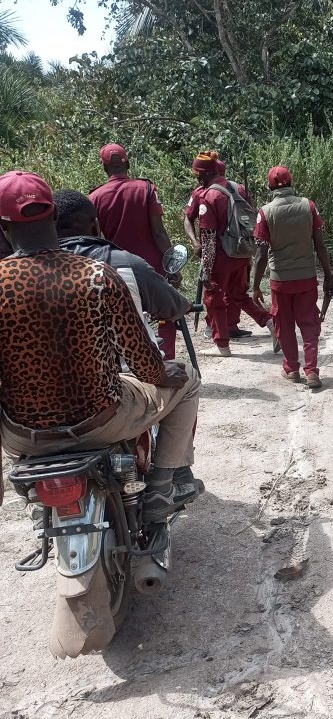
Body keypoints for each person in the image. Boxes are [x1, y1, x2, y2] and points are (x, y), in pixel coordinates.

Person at [0, 170, 201, 520]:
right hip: (101, 421)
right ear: (54, 215)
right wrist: (163, 372)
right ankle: (160, 487)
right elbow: (141, 359)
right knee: (187, 380)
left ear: (3, 227)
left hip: (22, 435)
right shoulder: (95, 274)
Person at [54, 188, 192, 335]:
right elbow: (171, 306)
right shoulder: (128, 264)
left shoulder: (30, 271)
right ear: (95, 226)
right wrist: (185, 305)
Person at [89, 143, 179, 358]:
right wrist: (173, 264)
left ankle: (135, 365)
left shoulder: (94, 197)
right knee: (166, 313)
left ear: (104, 167)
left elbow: (96, 239)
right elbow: (159, 233)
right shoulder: (146, 189)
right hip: (152, 268)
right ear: (127, 162)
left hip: (116, 272)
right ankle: (167, 359)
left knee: (126, 319)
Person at [252, 166, 332, 390]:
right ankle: (312, 371)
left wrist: (255, 285)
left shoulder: (265, 212)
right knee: (309, 323)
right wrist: (328, 273)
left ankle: (291, 368)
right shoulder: (309, 206)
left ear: (270, 186)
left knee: (283, 324)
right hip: (306, 277)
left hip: (280, 280)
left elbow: (260, 254)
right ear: (291, 182)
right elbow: (320, 245)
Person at [192, 150, 273, 357]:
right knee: (239, 295)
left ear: (203, 174)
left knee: (214, 298)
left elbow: (208, 236)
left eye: (197, 174)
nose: (197, 178)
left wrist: (207, 269)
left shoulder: (209, 196)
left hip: (221, 257)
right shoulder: (238, 188)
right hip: (242, 253)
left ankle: (222, 345)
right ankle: (271, 323)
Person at [184, 156, 253, 341]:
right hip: (235, 251)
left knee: (225, 293)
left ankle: (225, 330)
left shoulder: (223, 191)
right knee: (225, 293)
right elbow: (190, 220)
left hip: (226, 252)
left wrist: (206, 258)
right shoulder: (203, 192)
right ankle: (215, 327)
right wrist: (196, 243)